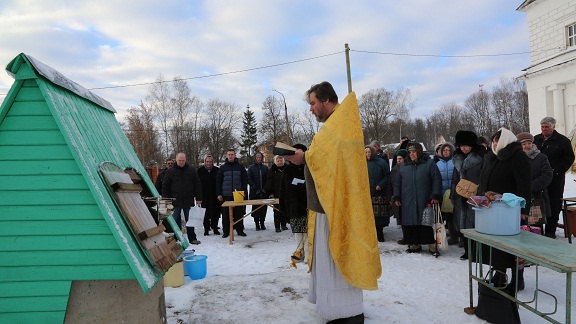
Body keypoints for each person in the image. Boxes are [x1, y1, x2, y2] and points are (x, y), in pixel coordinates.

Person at [283, 81, 381, 323]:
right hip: (325, 207)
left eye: (313, 103)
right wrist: (305, 157)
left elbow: (323, 161)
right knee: (329, 264)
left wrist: (303, 156)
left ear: (326, 100)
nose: (311, 109)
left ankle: (343, 312)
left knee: (337, 261)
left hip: (334, 209)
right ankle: (335, 308)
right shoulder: (335, 125)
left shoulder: (337, 126)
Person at [478, 128, 532, 294]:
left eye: (497, 140)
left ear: (505, 140)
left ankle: (518, 279)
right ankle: (499, 275)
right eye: (493, 141)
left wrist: (524, 208)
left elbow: (525, 184)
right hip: (494, 210)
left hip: (512, 210)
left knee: (514, 247)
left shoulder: (518, 157)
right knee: (497, 245)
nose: (494, 144)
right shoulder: (494, 157)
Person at [392, 142, 442, 254]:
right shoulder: (403, 165)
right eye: (410, 152)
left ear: (419, 152)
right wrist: (397, 197)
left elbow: (437, 180)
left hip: (425, 199)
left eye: (414, 152)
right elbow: (397, 183)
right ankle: (414, 244)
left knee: (427, 222)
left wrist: (435, 195)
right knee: (411, 222)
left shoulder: (429, 163)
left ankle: (432, 245)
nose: (411, 154)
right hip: (408, 200)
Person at [533, 117, 576, 239]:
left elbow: (569, 158)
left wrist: (556, 170)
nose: (544, 129)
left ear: (553, 127)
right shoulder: (536, 139)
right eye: (542, 127)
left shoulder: (562, 141)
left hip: (555, 179)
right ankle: (538, 229)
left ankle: (550, 230)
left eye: (547, 127)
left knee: (554, 203)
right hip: (538, 178)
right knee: (537, 202)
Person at [451, 130, 485, 259]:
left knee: (476, 224)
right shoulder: (457, 158)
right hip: (461, 195)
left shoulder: (481, 157)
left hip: (476, 195)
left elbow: (484, 176)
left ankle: (478, 251)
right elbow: (455, 178)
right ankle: (467, 250)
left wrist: (481, 193)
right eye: (461, 145)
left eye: (466, 145)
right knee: (463, 224)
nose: (463, 148)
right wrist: (453, 193)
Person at [162, 153, 203, 245]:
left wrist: (199, 197)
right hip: (175, 201)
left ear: (185, 160)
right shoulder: (170, 171)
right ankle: (177, 239)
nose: (181, 162)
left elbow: (197, 184)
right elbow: (165, 186)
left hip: (188, 200)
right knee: (175, 221)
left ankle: (192, 238)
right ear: (176, 160)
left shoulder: (191, 170)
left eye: (183, 160)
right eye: (179, 160)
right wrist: (166, 199)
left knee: (190, 221)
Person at [280, 144, 309, 262]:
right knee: (298, 232)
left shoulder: (309, 167)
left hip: (308, 206)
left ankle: (308, 255)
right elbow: (283, 190)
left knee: (308, 233)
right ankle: (299, 253)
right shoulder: (287, 170)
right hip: (294, 206)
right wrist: (284, 209)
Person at [217, 149, 248, 238]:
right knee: (226, 215)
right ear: (226, 156)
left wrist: (244, 191)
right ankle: (226, 232)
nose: (230, 156)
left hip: (238, 194)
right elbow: (218, 181)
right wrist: (219, 193)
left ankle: (240, 230)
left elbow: (244, 180)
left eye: (232, 154)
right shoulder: (222, 168)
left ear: (235, 156)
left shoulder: (240, 167)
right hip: (226, 195)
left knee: (239, 214)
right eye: (229, 154)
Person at [365, 145, 391, 242]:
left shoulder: (381, 162)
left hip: (378, 192)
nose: (368, 154)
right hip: (367, 192)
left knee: (379, 215)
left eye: (369, 152)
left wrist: (381, 184)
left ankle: (380, 233)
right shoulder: (362, 163)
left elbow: (387, 175)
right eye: (366, 152)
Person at [436, 143, 457, 245]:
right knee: (448, 217)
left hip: (455, 193)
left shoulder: (455, 162)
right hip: (443, 194)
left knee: (456, 216)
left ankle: (461, 237)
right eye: (444, 150)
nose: (446, 152)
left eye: (448, 150)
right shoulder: (437, 164)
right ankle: (453, 237)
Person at [388, 149, 408, 245]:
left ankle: (409, 237)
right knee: (401, 218)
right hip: (397, 196)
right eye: (397, 158)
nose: (398, 160)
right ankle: (405, 237)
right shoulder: (395, 169)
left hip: (406, 196)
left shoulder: (407, 168)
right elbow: (391, 183)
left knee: (407, 218)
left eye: (400, 158)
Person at [197, 155, 221, 236]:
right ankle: (206, 229)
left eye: (210, 162)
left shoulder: (217, 170)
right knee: (205, 213)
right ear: (205, 162)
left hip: (215, 195)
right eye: (207, 161)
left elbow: (219, 182)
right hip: (204, 195)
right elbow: (197, 184)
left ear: (212, 162)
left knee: (216, 213)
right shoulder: (200, 171)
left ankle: (215, 228)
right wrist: (197, 195)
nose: (208, 163)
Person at [247, 152, 269, 231]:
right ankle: (257, 224)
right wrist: (255, 188)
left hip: (264, 192)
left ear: (262, 158)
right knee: (256, 209)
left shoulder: (265, 168)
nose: (258, 159)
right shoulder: (251, 168)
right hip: (254, 192)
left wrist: (265, 188)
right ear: (255, 158)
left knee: (263, 208)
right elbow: (249, 179)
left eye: (260, 157)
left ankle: (262, 223)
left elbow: (268, 179)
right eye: (257, 157)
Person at [267, 155, 288, 232]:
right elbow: (269, 182)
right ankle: (277, 226)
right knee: (276, 210)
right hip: (276, 193)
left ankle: (284, 224)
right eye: (278, 161)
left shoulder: (287, 169)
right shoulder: (272, 170)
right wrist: (270, 192)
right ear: (275, 161)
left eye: (281, 160)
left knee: (284, 209)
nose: (280, 162)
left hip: (285, 193)